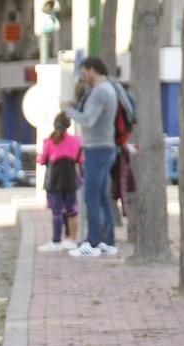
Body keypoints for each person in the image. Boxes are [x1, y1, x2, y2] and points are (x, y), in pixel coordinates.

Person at [64, 56, 119, 258]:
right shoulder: (109, 89)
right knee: (103, 196)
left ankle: (92, 242)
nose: (83, 76)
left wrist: (68, 110)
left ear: (92, 70)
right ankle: (109, 241)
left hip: (96, 149)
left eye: (84, 71)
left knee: (91, 197)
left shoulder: (99, 92)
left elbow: (88, 120)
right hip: (106, 147)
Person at [37, 112, 82, 251]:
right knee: (72, 211)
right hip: (70, 179)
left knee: (57, 212)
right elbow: (81, 160)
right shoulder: (76, 141)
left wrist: (39, 158)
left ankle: (56, 241)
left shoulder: (49, 142)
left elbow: (42, 160)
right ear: (68, 125)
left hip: (54, 180)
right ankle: (72, 240)